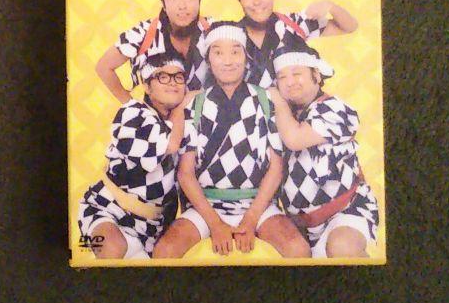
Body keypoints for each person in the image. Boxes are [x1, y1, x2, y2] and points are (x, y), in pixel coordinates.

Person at [152, 22, 308, 259]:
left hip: (258, 204)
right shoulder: (194, 103)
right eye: (218, 52)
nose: (228, 61)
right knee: (165, 252)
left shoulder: (267, 100)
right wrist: (215, 224)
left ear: (246, 57)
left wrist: (250, 220)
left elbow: (276, 169)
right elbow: (185, 173)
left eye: (235, 51)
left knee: (298, 250)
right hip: (206, 205)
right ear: (208, 59)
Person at [268, 44, 380, 258]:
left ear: (317, 75)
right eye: (281, 77)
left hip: (346, 211)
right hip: (302, 227)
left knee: (342, 247)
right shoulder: (283, 115)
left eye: (297, 73)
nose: (289, 82)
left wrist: (277, 100)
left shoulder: (335, 108)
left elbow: (295, 139)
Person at [77, 53, 191, 259]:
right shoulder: (133, 112)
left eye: (179, 77)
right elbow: (170, 145)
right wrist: (182, 107)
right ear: (147, 86)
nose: (172, 82)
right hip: (107, 208)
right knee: (112, 248)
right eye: (163, 77)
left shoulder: (183, 124)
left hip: (150, 228)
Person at [231, 0, 358, 89]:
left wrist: (331, 6)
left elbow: (349, 27)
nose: (257, 1)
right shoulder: (230, 36)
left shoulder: (293, 23)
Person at [96, 0, 212, 100]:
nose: (182, 6)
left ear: (199, 1)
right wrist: (132, 106)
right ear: (164, 4)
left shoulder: (214, 31)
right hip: (155, 112)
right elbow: (103, 67)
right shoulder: (144, 32)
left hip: (202, 111)